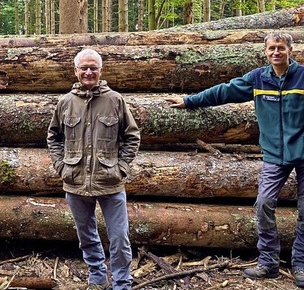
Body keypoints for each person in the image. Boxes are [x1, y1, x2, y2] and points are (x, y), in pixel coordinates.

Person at [166, 32, 304, 287]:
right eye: (272, 48)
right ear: (265, 52)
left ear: (290, 50)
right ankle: (269, 263)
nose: (276, 52)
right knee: (264, 204)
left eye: (281, 48)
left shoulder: (302, 77)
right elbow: (224, 92)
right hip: (274, 154)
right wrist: (189, 101)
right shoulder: (258, 79)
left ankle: (301, 265)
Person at [47, 48, 141, 290]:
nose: (89, 72)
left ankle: (122, 283)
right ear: (75, 70)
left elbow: (132, 137)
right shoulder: (65, 102)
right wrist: (61, 166)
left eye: (93, 68)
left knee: (119, 238)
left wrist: (121, 167)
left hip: (110, 182)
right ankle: (97, 278)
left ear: (101, 71)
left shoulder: (115, 100)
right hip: (75, 182)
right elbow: (53, 137)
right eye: (84, 68)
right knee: (86, 236)